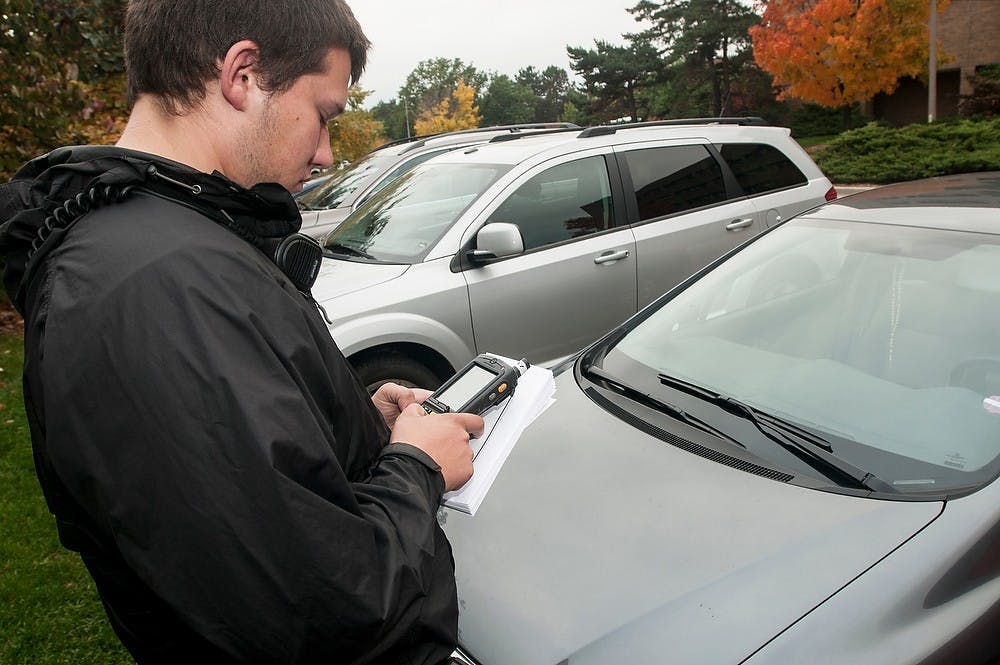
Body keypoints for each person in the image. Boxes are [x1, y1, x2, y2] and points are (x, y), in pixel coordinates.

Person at [0, 1, 484, 663]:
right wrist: (416, 468)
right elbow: (320, 608)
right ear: (244, 75)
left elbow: (236, 468)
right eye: (323, 115)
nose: (325, 153)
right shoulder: (164, 285)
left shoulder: (169, 240)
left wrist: (353, 422)